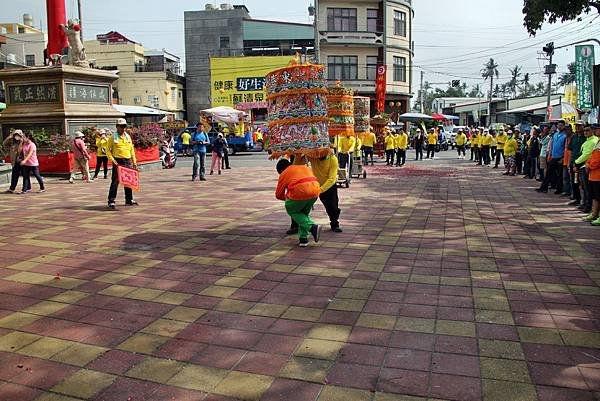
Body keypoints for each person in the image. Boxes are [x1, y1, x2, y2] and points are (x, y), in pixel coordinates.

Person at [289, 153, 343, 234]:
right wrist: (298, 155)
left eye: (322, 152)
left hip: (328, 186)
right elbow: (296, 165)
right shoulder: (313, 156)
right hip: (313, 184)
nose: (319, 155)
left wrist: (320, 190)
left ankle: (334, 223)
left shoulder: (333, 159)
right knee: (299, 204)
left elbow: (332, 179)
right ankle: (295, 226)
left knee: (332, 206)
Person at [275, 158, 322, 247]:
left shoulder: (284, 173)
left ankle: (312, 227)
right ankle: (303, 239)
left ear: (281, 170)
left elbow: (278, 194)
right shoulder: (304, 167)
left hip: (299, 191)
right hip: (315, 191)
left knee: (292, 210)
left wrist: (288, 199)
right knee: (303, 215)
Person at [106, 118, 138, 209]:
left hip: (127, 161)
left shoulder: (128, 137)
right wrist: (112, 160)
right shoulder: (113, 137)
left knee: (128, 181)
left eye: (124, 126)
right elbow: (108, 151)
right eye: (121, 126)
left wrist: (134, 161)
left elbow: (131, 149)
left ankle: (129, 199)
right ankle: (111, 201)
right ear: (117, 127)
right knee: (115, 181)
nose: (123, 128)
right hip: (118, 161)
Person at [538, 120, 567, 194]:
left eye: (561, 125)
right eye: (559, 125)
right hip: (553, 156)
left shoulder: (565, 135)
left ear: (564, 126)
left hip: (560, 157)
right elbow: (551, 146)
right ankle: (544, 188)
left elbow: (565, 148)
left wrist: (563, 157)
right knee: (548, 173)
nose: (559, 127)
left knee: (559, 175)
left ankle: (559, 189)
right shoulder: (555, 134)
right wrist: (549, 155)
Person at [575, 125, 599, 214]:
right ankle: (586, 204)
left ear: (592, 131)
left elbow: (587, 154)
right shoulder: (588, 141)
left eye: (587, 130)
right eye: (584, 130)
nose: (585, 132)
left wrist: (576, 162)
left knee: (589, 189)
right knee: (584, 187)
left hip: (587, 167)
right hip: (584, 166)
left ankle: (588, 206)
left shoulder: (594, 141)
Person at [568, 122, 587, 207]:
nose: (577, 127)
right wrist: (570, 162)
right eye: (576, 126)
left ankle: (584, 201)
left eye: (579, 126)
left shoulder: (586, 138)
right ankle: (577, 199)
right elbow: (570, 150)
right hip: (574, 162)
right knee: (574, 182)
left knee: (582, 184)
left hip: (582, 163)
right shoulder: (574, 137)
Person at [583, 140, 600, 225]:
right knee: (594, 196)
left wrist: (589, 165)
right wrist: (587, 164)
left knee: (598, 196)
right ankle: (594, 214)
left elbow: (597, 160)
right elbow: (591, 157)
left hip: (598, 175)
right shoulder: (597, 142)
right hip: (592, 175)